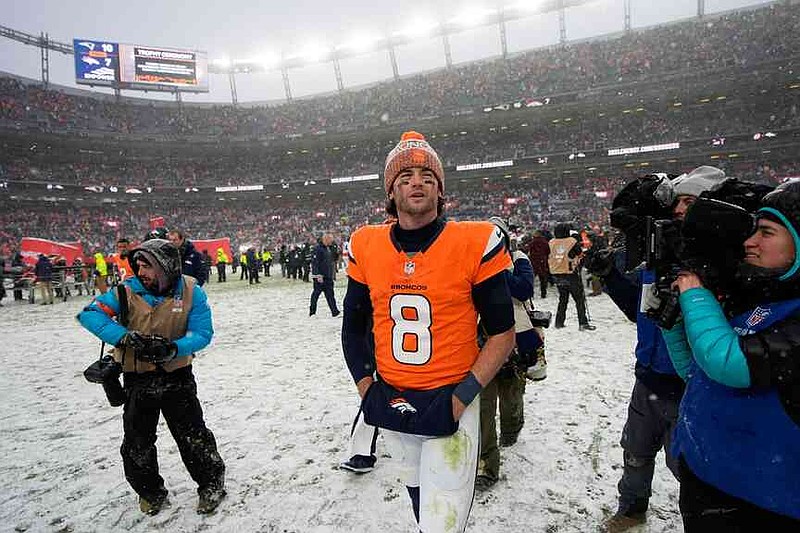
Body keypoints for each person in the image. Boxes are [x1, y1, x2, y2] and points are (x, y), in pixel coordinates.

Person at [342, 131, 516, 533]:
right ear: (391, 192)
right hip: (392, 397)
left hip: (450, 395)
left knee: (441, 523)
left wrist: (460, 399)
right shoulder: (366, 244)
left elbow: (502, 334)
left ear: (440, 191)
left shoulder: (472, 241)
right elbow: (352, 329)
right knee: (420, 500)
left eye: (426, 176)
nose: (416, 182)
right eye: (405, 177)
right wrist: (367, 388)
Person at [591, 166, 727, 532]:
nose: (681, 209)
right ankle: (632, 510)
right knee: (635, 453)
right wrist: (609, 275)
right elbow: (641, 310)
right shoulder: (659, 251)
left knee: (691, 469)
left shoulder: (717, 262)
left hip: (690, 384)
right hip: (647, 378)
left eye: (691, 201)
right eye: (678, 201)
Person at [663, 180, 800, 530]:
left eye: (766, 233)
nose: (750, 242)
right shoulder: (762, 294)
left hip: (762, 500)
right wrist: (671, 323)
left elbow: (731, 364)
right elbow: (695, 372)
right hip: (710, 479)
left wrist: (696, 298)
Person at [77, 238, 226, 516]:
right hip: (137, 379)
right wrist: (125, 337)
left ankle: (211, 485)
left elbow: (202, 334)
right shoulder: (125, 291)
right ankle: (150, 493)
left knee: (193, 437)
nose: (141, 271)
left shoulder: (192, 291)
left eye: (148, 265)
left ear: (167, 266)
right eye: (138, 265)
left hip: (177, 375)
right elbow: (90, 315)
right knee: (137, 442)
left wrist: (174, 348)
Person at [476, 217, 543, 491]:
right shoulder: (475, 262)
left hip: (515, 340)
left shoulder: (518, 258)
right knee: (483, 407)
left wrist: (497, 271)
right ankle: (487, 466)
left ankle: (513, 428)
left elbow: (524, 289)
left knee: (511, 399)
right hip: (482, 342)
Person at [549, 223, 595, 330]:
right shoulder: (571, 241)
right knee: (579, 299)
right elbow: (579, 254)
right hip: (571, 273)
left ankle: (559, 322)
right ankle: (583, 323)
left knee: (563, 299)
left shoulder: (551, 242)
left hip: (556, 274)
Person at [310, 234, 340, 317]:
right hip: (320, 276)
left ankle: (335, 311)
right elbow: (315, 263)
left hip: (328, 276)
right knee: (316, 294)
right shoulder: (317, 249)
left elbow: (334, 259)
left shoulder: (330, 248)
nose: (332, 241)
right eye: (331, 240)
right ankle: (312, 311)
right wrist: (317, 275)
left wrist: (336, 252)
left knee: (330, 295)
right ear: (326, 239)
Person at [527, 230, 551, 298]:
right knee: (543, 279)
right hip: (543, 261)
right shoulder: (545, 242)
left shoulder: (532, 242)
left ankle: (531, 294)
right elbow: (548, 251)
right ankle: (543, 294)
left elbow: (529, 250)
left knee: (531, 278)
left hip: (534, 262)